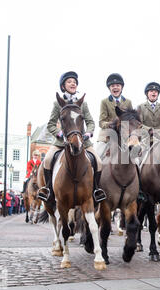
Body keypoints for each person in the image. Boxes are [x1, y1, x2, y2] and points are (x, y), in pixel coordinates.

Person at [38, 71, 106, 205]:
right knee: (47, 160)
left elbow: (90, 122)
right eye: (69, 81)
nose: (73, 83)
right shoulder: (58, 103)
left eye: (74, 81)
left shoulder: (82, 103)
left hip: (82, 141)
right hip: (61, 142)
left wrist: (88, 133)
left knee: (98, 161)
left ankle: (96, 190)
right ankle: (48, 190)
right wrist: (60, 134)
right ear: (63, 86)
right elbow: (51, 124)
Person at [96, 73, 133, 159]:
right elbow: (101, 122)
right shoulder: (104, 102)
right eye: (112, 86)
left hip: (124, 136)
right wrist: (111, 124)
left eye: (117, 85)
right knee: (98, 156)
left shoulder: (128, 102)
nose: (115, 87)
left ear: (121, 87)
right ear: (109, 88)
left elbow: (131, 120)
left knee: (137, 159)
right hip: (107, 136)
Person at [136, 82, 160, 148]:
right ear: (147, 94)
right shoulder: (141, 107)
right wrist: (149, 130)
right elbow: (139, 124)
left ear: (158, 94)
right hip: (146, 138)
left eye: (156, 91)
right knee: (139, 154)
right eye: (151, 91)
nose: (154, 93)